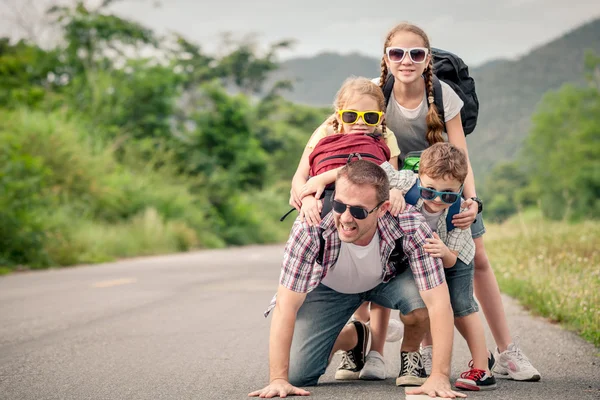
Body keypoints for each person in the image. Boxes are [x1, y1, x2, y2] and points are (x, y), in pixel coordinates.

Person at [291, 21, 540, 382]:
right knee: (374, 258)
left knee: (476, 259)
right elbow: (326, 135)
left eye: (416, 53)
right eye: (397, 53)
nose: (406, 60)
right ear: (386, 58)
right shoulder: (373, 95)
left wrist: (472, 201)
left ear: (427, 59)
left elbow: (461, 154)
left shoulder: (442, 95)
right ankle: (372, 352)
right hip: (393, 187)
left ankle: (506, 351)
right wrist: (303, 182)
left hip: (443, 186)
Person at [249, 160, 465, 399]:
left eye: (359, 211)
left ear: (382, 209)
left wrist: (440, 377)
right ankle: (355, 336)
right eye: (340, 205)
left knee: (424, 301)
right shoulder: (309, 228)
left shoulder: (411, 225)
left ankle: (410, 351)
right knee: (297, 375)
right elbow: (285, 306)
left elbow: (439, 304)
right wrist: (278, 379)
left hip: (385, 281)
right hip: (330, 289)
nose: (346, 218)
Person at [291, 76, 411, 381]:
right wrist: (306, 196)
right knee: (298, 373)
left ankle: (377, 353)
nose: (360, 123)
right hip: (333, 226)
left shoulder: (385, 138)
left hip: (369, 224)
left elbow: (387, 175)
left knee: (377, 264)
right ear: (337, 115)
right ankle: (357, 336)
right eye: (350, 116)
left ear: (380, 119)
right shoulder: (325, 132)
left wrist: (395, 191)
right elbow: (301, 176)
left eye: (369, 117)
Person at [389, 142, 497, 391]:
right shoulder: (407, 181)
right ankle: (428, 354)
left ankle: (482, 367)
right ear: (419, 179)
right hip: (423, 257)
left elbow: (452, 259)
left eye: (447, 194)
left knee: (462, 306)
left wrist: (445, 252)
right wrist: (392, 191)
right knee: (429, 304)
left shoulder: (460, 212)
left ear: (461, 189)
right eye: (429, 191)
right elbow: (382, 171)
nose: (437, 200)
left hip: (456, 257)